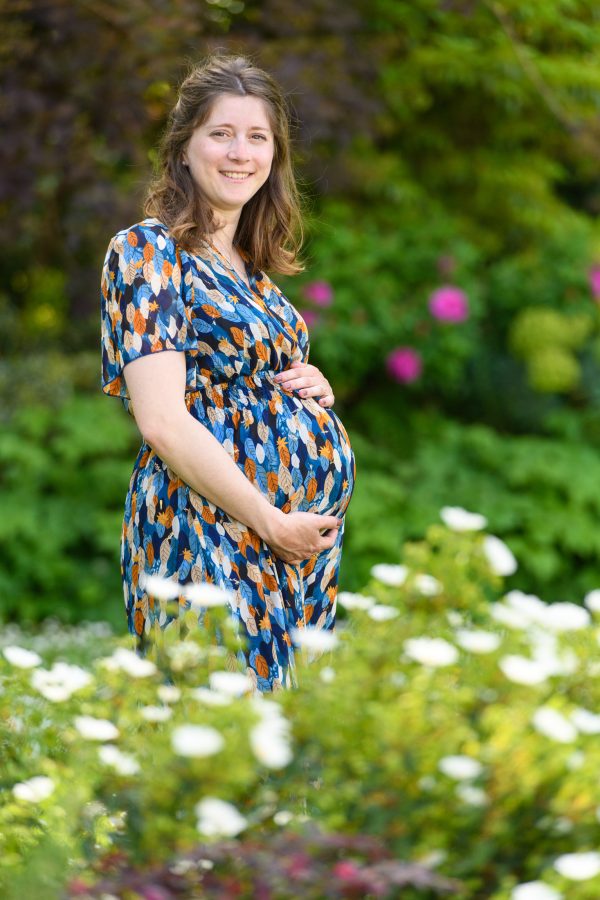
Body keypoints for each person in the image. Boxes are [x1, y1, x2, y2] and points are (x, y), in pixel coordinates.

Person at [100, 54, 356, 691]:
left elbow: (251, 384)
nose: (240, 152)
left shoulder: (255, 270)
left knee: (284, 748)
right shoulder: (146, 253)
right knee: (222, 737)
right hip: (207, 528)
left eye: (257, 136)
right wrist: (270, 520)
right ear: (184, 148)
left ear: (275, 155)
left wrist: (313, 390)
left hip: (294, 549)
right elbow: (161, 420)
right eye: (221, 133)